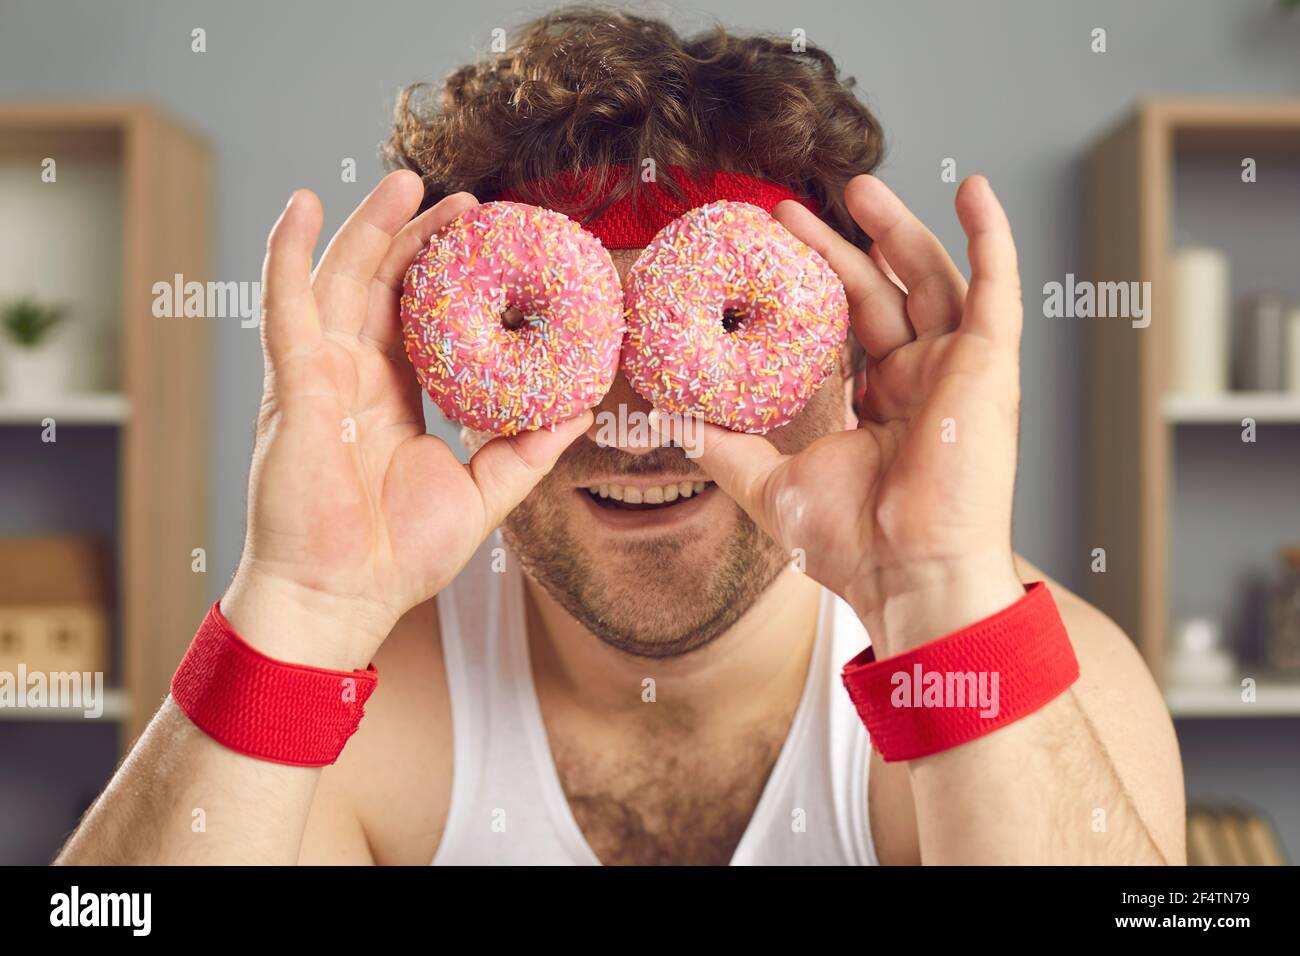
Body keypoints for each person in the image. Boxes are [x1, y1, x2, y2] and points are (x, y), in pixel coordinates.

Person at [57, 7, 1184, 866]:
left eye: (724, 333)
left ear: (845, 355)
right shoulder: (356, 698)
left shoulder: (1028, 677)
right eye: (569, 338)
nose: (642, 415)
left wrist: (938, 588)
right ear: (451, 373)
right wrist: (299, 605)